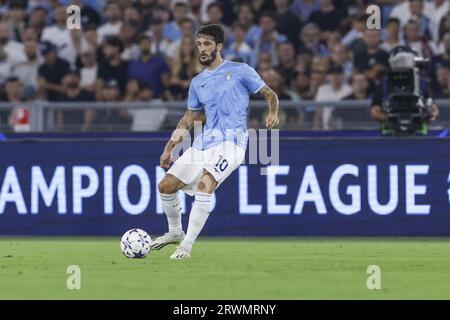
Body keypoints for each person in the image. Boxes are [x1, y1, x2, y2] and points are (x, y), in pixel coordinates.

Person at [151, 24, 279, 259]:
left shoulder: (241, 70)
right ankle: (175, 232)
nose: (202, 49)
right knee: (165, 186)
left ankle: (186, 246)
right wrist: (169, 148)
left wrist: (273, 112)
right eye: (199, 44)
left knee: (205, 183)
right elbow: (187, 119)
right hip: (204, 142)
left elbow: (270, 94)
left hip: (233, 143)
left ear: (219, 46)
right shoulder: (197, 82)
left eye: (207, 44)